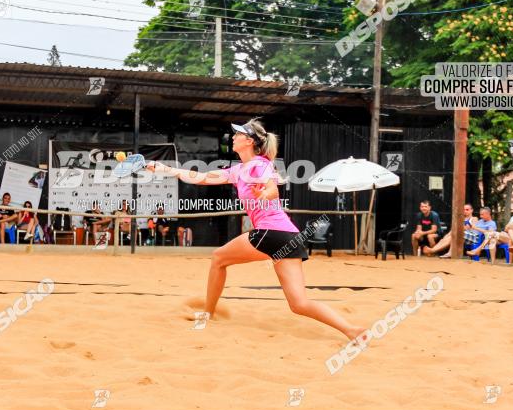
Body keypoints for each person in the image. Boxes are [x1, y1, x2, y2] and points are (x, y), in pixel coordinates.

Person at [146, 118, 366, 343]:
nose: (232, 137)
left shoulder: (258, 165)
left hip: (269, 233)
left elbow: (272, 188)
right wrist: (165, 168)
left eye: (237, 134)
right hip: (289, 237)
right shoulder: (239, 169)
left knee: (218, 258)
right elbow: (201, 178)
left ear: (249, 141)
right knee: (299, 304)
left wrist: (266, 193)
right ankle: (351, 330)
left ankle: (208, 314)